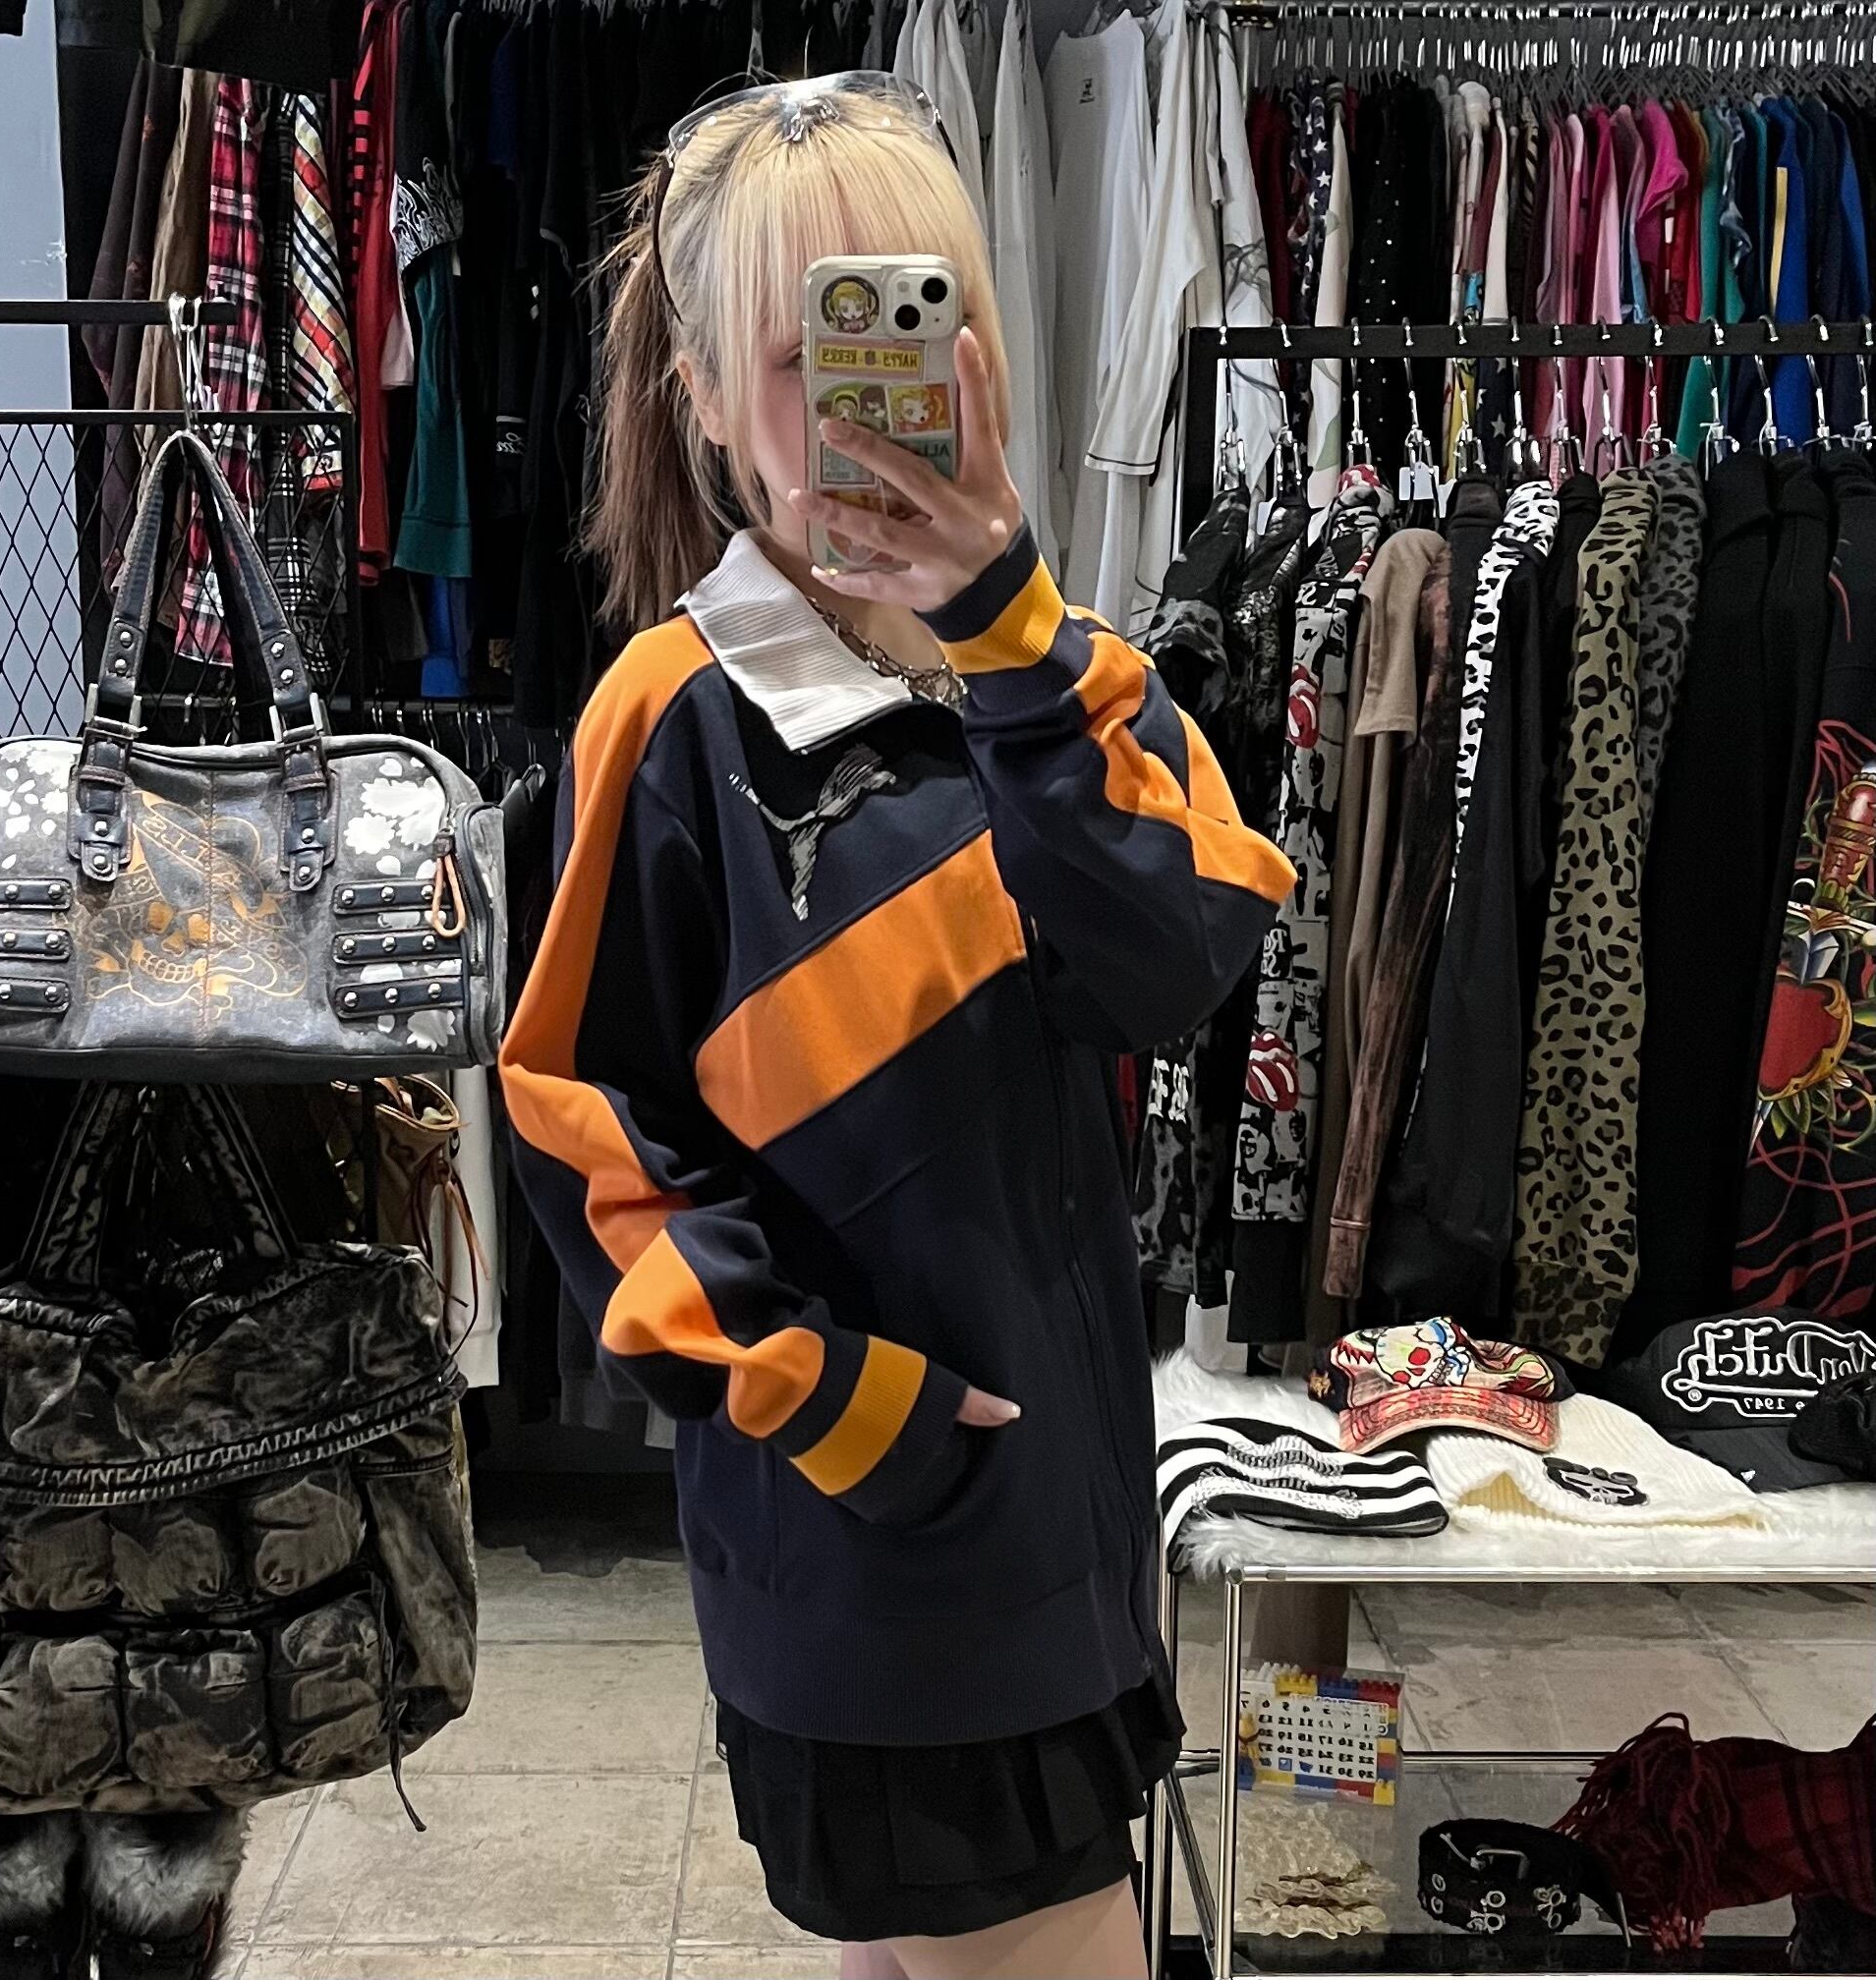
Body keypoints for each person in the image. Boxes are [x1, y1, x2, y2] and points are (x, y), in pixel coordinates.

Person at [499, 73, 1292, 1980]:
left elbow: (1175, 968)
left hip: (1065, 1524)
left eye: (908, 326)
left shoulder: (1081, 681)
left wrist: (1008, 643)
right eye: (802, 356)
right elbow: (577, 1132)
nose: (859, 401)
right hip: (870, 1551)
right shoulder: (667, 722)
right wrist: (838, 1404)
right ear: (701, 396)